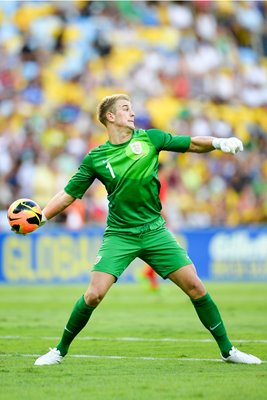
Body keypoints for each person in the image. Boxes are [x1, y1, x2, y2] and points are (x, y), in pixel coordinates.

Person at [31, 93, 261, 365]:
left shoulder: (150, 138)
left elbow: (191, 145)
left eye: (132, 108)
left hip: (155, 231)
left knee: (196, 287)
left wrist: (219, 143)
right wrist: (41, 218)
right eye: (125, 109)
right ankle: (58, 351)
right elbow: (69, 194)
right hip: (120, 234)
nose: (132, 113)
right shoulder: (96, 158)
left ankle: (228, 351)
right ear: (110, 117)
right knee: (94, 294)